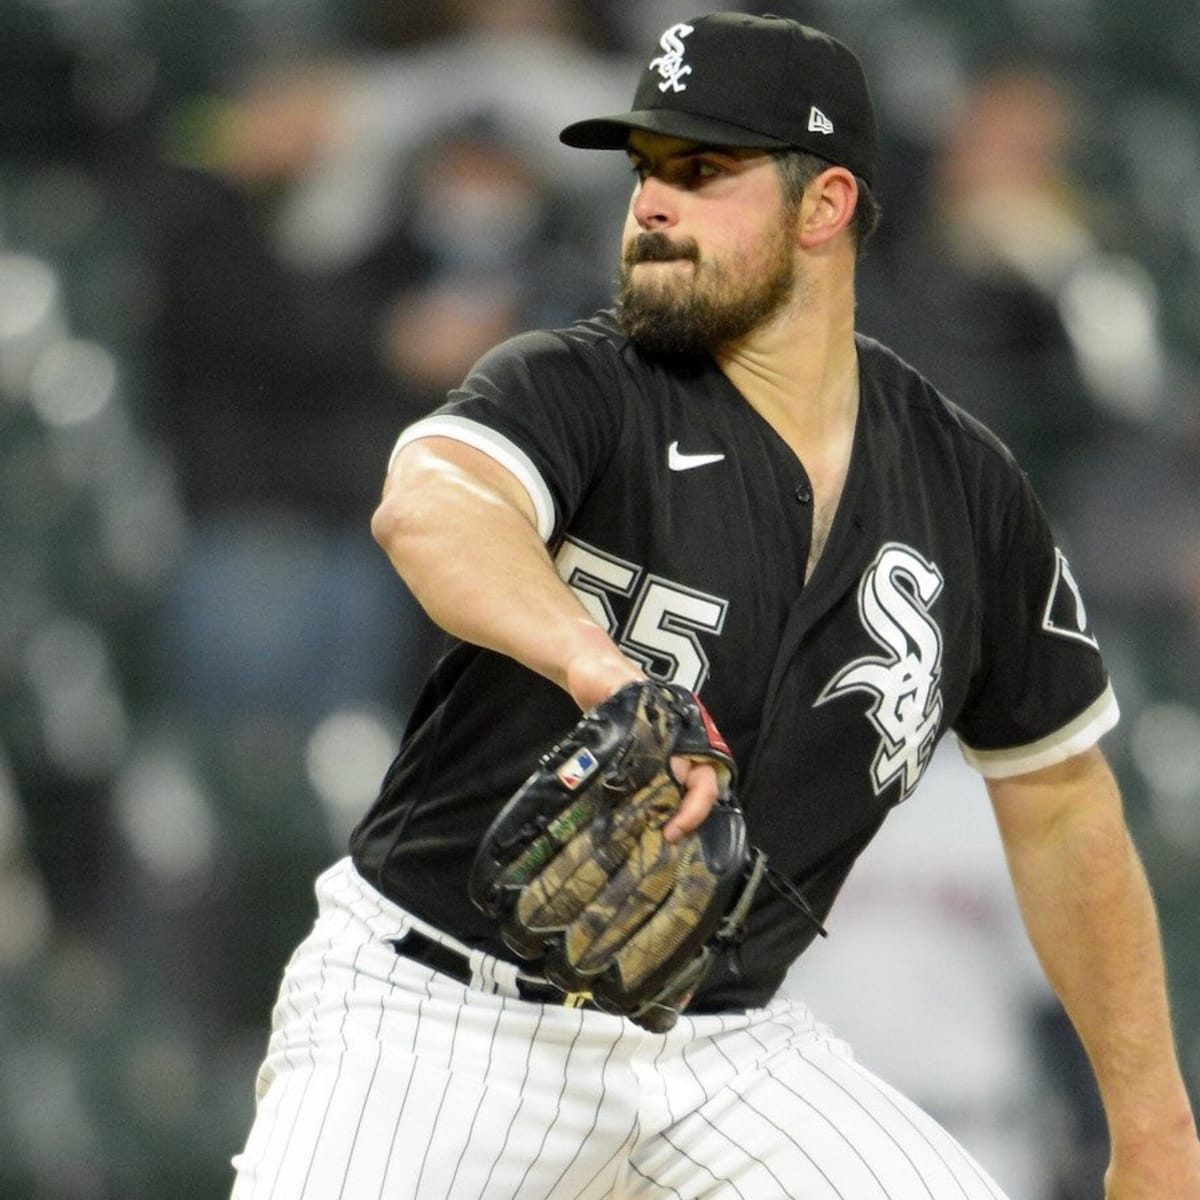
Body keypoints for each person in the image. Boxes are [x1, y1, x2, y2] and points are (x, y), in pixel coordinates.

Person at [229, 13, 1200, 1199]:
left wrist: (1156, 1131)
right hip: (438, 1018)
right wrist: (600, 669)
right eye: (645, 169)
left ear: (824, 204)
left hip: (725, 1047)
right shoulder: (578, 383)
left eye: (700, 171)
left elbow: (1060, 806)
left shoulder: (967, 491)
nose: (650, 203)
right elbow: (432, 508)